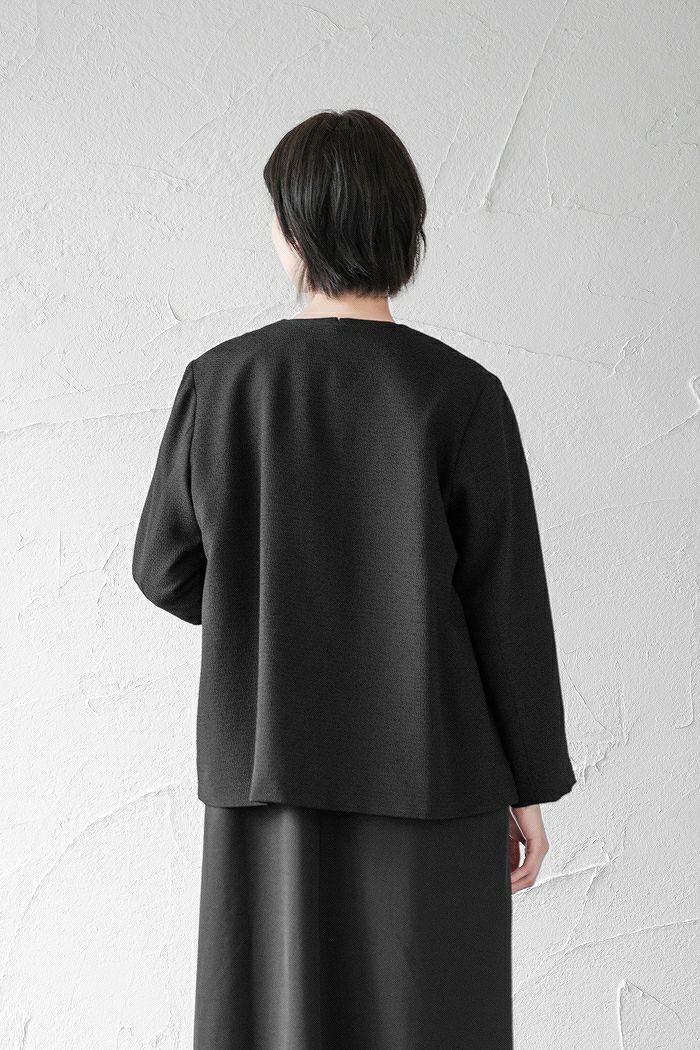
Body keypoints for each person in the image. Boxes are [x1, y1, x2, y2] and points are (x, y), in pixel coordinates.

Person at [132, 108, 577, 1050]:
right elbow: (507, 611)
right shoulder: (461, 395)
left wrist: (272, 615)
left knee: (280, 1024)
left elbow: (162, 567)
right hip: (435, 771)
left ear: (293, 232)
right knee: (429, 1022)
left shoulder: (224, 383)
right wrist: (530, 786)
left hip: (269, 771)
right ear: (404, 229)